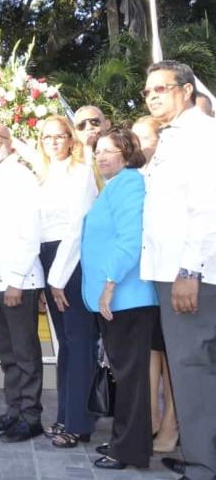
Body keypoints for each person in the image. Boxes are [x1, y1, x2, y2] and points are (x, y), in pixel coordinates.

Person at [140, 60, 216, 480]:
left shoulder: (201, 134)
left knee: (192, 369)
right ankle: (201, 453)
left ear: (186, 90)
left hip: (190, 273)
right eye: (148, 91)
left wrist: (191, 269)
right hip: (172, 270)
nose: (152, 96)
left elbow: (206, 205)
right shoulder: (173, 136)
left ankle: (205, 466)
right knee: (192, 371)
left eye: (161, 88)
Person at [81, 128, 157, 470]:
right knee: (126, 376)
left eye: (110, 150)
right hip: (116, 300)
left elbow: (130, 239)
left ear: (127, 154)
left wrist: (110, 283)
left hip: (127, 298)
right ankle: (126, 442)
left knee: (131, 378)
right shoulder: (112, 187)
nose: (102, 156)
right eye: (98, 151)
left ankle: (128, 451)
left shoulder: (129, 184)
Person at [0, 122, 45, 443]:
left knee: (25, 352)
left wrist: (16, 280)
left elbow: (31, 231)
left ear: (8, 142)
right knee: (7, 352)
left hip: (18, 282)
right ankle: (14, 410)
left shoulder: (21, 176)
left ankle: (31, 417)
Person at [33, 116, 99, 448]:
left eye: (60, 136)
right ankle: (65, 416)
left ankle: (79, 423)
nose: (54, 142)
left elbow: (77, 227)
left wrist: (57, 279)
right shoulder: (41, 177)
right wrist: (44, 280)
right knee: (66, 346)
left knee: (80, 343)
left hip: (70, 262)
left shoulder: (82, 173)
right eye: (47, 137)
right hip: (48, 260)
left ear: (71, 140)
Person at [130, 115, 178, 454]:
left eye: (145, 138)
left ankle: (173, 428)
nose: (140, 144)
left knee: (174, 357)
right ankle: (151, 420)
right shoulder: (137, 176)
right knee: (152, 353)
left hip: (174, 274)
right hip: (146, 278)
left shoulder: (171, 174)